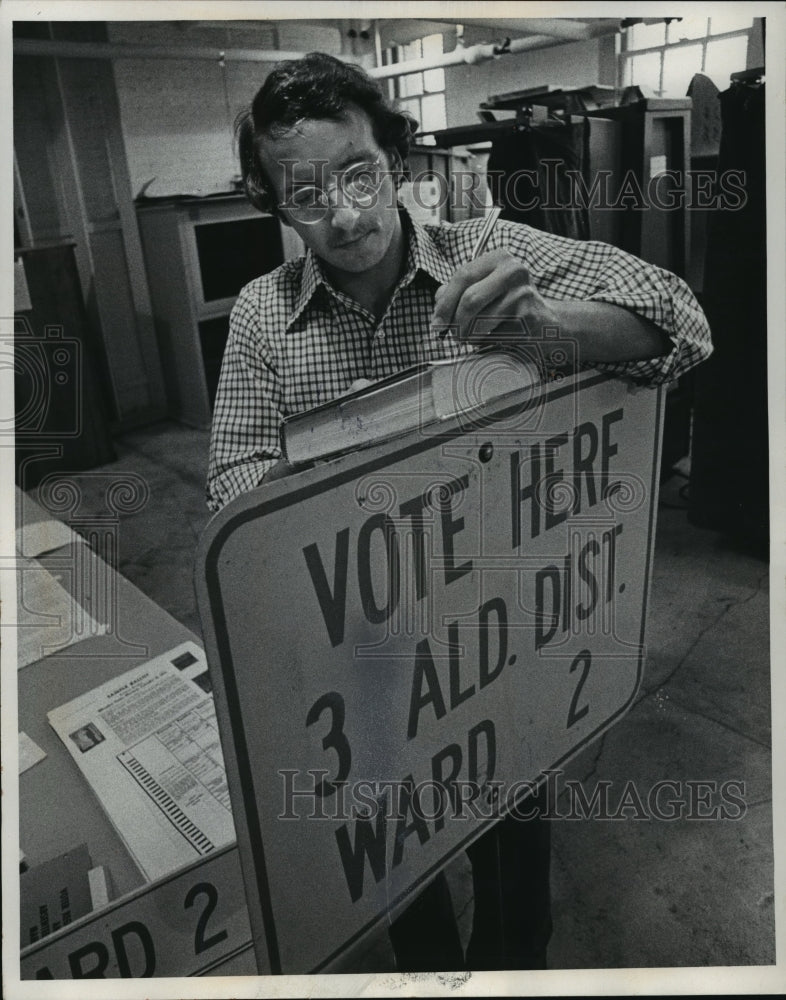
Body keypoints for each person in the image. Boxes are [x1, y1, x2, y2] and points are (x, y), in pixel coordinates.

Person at [206, 52, 712, 972]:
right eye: (308, 193)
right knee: (400, 858)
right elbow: (232, 484)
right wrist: (339, 474)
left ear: (394, 159)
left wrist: (544, 330)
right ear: (274, 202)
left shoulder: (486, 252)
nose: (349, 214)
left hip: (500, 630)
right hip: (365, 654)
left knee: (516, 838)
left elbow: (681, 320)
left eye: (360, 174)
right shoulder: (260, 317)